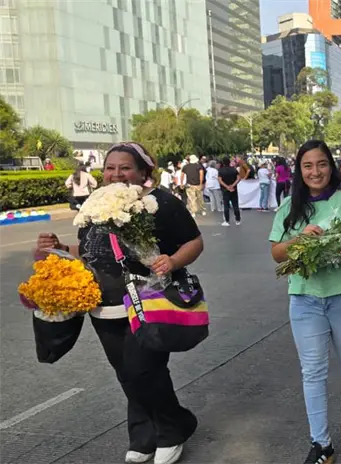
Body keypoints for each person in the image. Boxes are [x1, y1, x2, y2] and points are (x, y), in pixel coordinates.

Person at [36, 142, 203, 464]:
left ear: (143, 172)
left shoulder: (162, 203)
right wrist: (58, 247)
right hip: (104, 307)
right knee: (126, 373)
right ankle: (142, 436)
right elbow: (90, 252)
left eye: (125, 167)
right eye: (110, 167)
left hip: (149, 300)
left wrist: (172, 260)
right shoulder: (95, 206)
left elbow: (194, 241)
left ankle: (174, 427)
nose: (116, 174)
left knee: (145, 370)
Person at [269, 140, 341, 464]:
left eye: (322, 164)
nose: (316, 171)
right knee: (312, 371)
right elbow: (276, 253)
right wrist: (299, 239)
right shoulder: (289, 207)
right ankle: (321, 444)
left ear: (332, 166)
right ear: (299, 170)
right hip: (305, 300)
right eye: (308, 166)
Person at [218, 157, 241, 227]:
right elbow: (239, 178)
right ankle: (238, 220)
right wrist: (233, 185)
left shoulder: (221, 170)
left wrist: (227, 187)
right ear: (229, 162)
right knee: (235, 205)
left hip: (225, 190)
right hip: (233, 189)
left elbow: (220, 180)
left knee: (226, 205)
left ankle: (227, 221)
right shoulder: (234, 169)